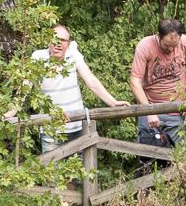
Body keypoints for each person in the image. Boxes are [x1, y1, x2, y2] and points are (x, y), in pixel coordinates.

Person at [32, 25, 126, 155]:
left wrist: (112, 102)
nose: (58, 43)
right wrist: (12, 110)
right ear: (48, 41)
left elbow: (91, 81)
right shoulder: (38, 57)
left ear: (68, 44)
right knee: (51, 174)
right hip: (51, 130)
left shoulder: (73, 54)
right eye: (55, 39)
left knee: (77, 174)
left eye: (63, 40)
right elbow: (25, 85)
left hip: (76, 127)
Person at [129, 19, 186, 148]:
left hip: (177, 109)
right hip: (150, 107)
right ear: (158, 35)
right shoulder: (145, 46)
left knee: (180, 157)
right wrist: (149, 112)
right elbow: (135, 81)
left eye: (174, 45)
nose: (171, 49)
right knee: (148, 157)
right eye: (167, 45)